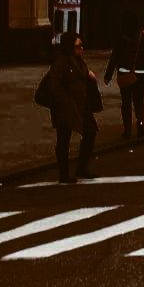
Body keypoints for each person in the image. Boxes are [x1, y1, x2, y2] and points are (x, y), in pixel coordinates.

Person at [39, 31, 101, 183]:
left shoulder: (78, 61)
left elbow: (82, 75)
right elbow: (54, 86)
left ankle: (81, 167)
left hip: (80, 105)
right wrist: (65, 101)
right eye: (78, 46)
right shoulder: (61, 62)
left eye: (81, 46)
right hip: (66, 106)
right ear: (69, 47)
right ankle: (64, 174)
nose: (81, 49)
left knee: (90, 131)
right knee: (64, 139)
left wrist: (89, 75)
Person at [102, 12, 144, 142]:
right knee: (139, 101)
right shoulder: (143, 36)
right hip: (141, 74)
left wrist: (108, 75)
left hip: (125, 73)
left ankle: (127, 130)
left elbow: (114, 57)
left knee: (126, 102)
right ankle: (140, 125)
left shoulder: (121, 38)